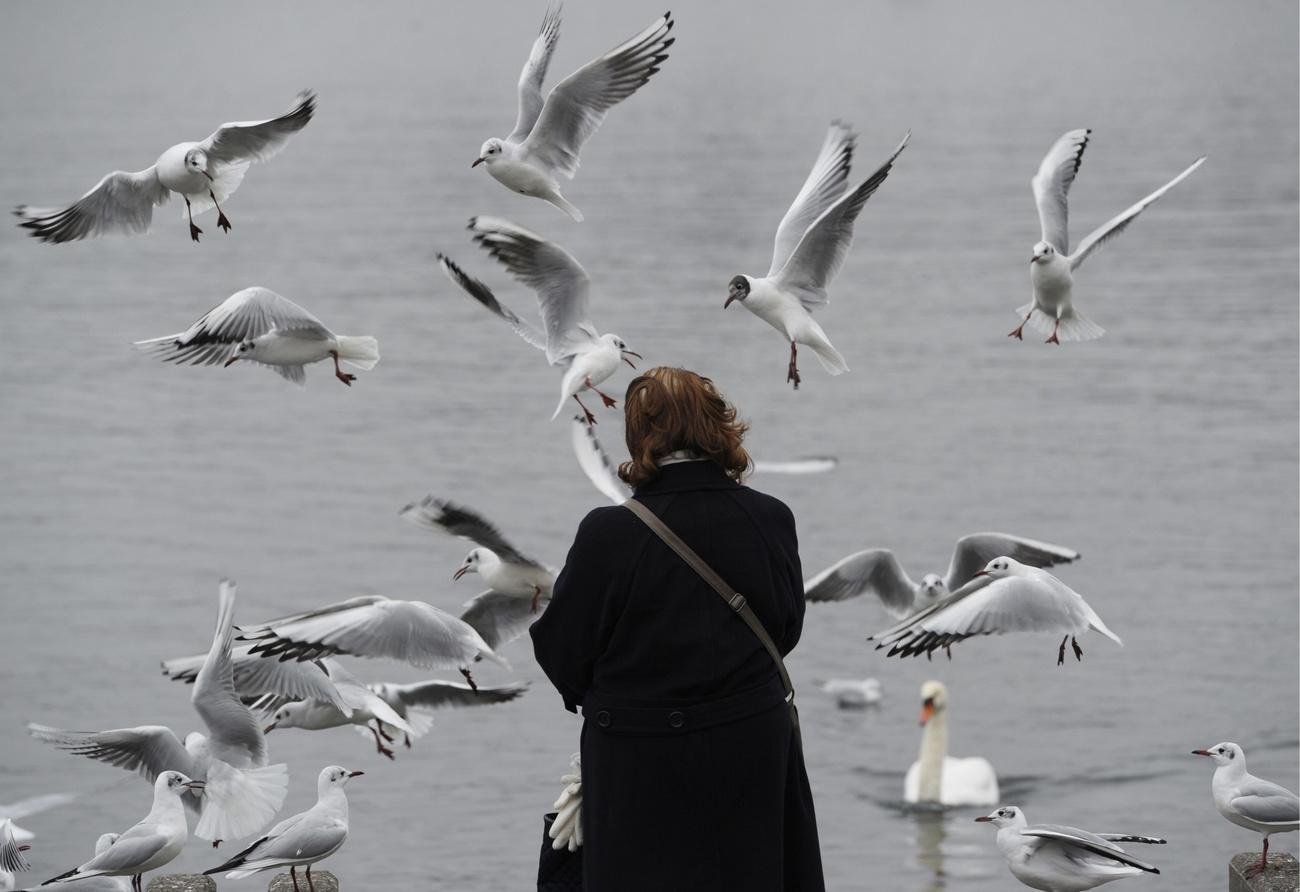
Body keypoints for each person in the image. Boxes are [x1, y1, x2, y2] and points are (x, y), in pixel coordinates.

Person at [530, 366, 825, 892]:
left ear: (639, 435)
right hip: (749, 744)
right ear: (719, 426)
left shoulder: (609, 533)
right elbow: (785, 629)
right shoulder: (772, 517)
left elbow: (561, 651)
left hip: (637, 758)